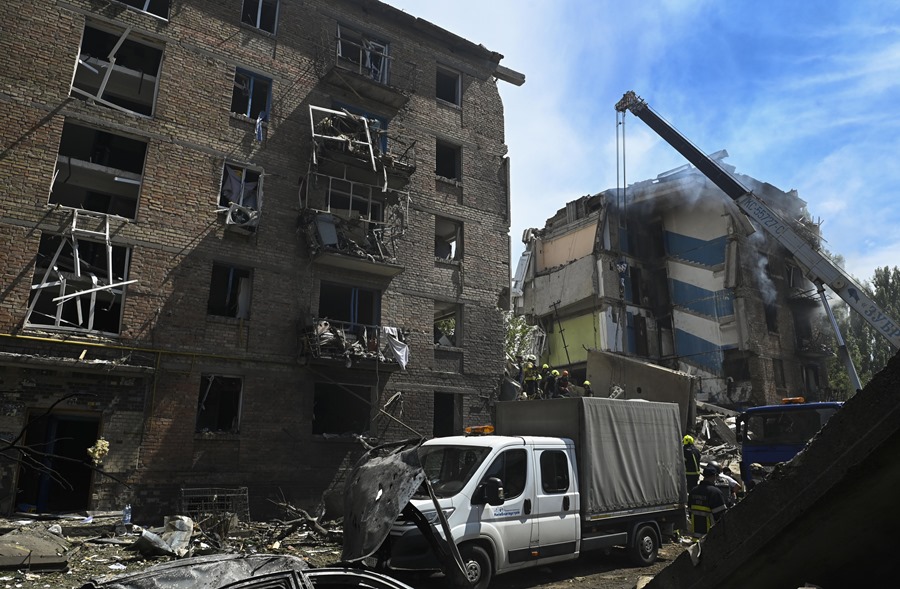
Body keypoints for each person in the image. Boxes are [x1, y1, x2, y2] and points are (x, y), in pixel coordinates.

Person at [688, 465, 727, 538]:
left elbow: (690, 511)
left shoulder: (693, 491)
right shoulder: (715, 492)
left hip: (696, 536)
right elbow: (721, 516)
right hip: (710, 536)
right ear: (714, 476)